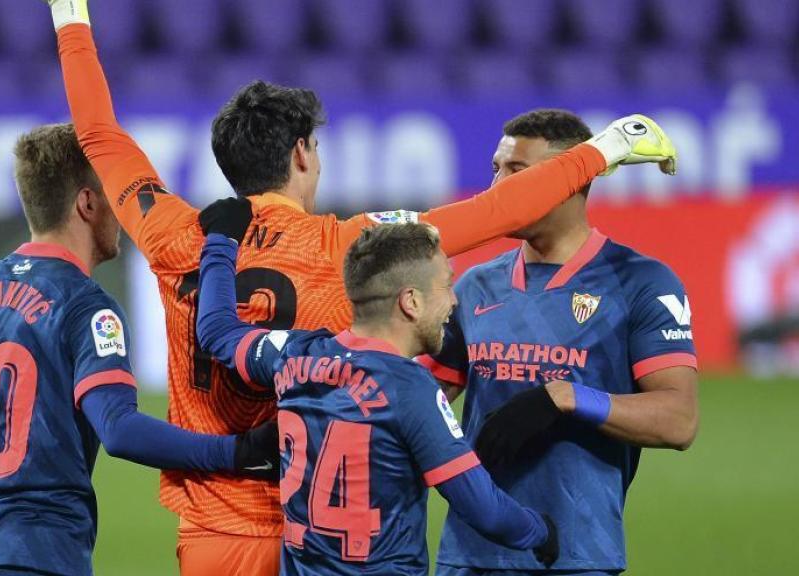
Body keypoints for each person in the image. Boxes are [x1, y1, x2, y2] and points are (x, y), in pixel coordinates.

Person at [42, 1, 676, 572]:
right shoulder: (349, 247)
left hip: (209, 531)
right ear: (300, 155)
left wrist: (71, 19)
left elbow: (99, 135)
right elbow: (496, 213)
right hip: (314, 532)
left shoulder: (175, 235)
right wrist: (603, 150)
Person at [0, 124, 276, 576]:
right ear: (87, 202)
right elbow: (118, 430)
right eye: (113, 195)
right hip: (39, 559)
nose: (121, 210)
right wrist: (236, 453)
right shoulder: (86, 307)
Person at [416, 109, 698, 576]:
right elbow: (427, 398)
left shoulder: (642, 283)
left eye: (518, 172)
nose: (497, 188)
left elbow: (679, 420)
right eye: (496, 169)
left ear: (574, 180)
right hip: (468, 555)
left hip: (576, 554)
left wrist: (565, 398)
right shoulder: (473, 286)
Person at [196, 219, 560, 575]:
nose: (454, 301)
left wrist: (221, 242)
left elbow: (216, 332)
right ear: (411, 302)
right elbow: (486, 510)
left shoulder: (294, 354)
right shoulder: (410, 388)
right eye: (447, 286)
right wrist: (540, 530)